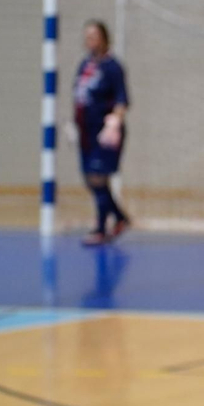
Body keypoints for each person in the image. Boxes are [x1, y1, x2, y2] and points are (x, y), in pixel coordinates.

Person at [73, 20, 131, 246]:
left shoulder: (112, 67)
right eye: (87, 36)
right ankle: (119, 217)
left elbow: (122, 99)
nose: (89, 41)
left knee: (98, 177)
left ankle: (100, 227)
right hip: (86, 131)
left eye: (94, 36)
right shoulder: (85, 65)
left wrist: (114, 122)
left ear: (104, 38)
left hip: (104, 132)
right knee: (90, 179)